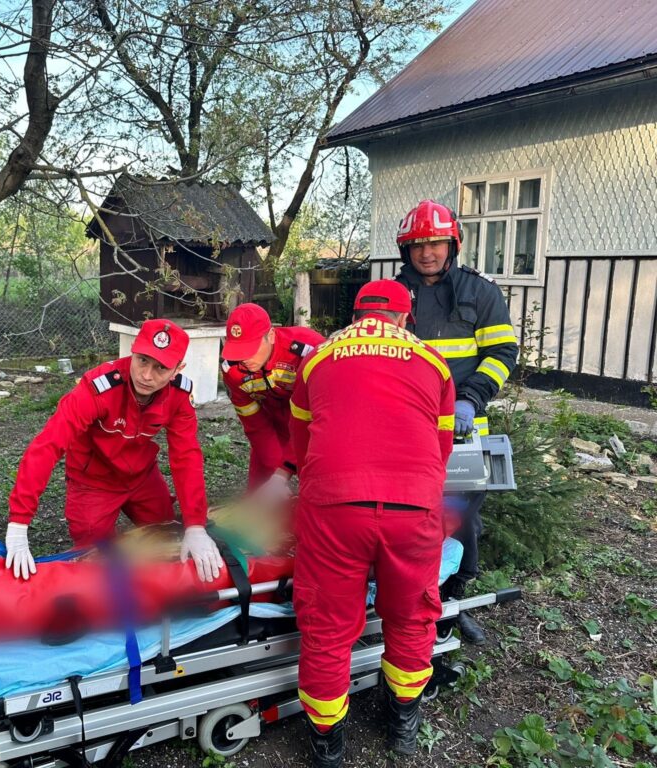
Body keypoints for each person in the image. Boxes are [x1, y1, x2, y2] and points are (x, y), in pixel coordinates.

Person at [289, 280, 455, 766]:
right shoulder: (433, 361)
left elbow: (302, 440)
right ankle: (403, 718)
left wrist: (324, 488)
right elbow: (441, 445)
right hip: (413, 506)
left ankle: (327, 743)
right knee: (412, 616)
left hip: (335, 507)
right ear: (403, 319)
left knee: (327, 626)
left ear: (356, 316)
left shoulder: (317, 357)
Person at [5, 319, 224, 583]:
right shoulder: (97, 388)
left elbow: (186, 457)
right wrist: (19, 523)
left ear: (178, 369)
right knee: (91, 556)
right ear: (133, 351)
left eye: (161, 367)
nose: (146, 375)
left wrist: (196, 526)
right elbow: (47, 446)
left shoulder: (178, 395)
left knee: (168, 534)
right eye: (142, 360)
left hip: (141, 477)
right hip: (93, 480)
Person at [394, 199, 518, 644]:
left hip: (464, 427)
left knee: (460, 518)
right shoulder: (393, 294)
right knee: (403, 516)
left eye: (435, 243)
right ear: (405, 250)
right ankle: (401, 602)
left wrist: (469, 399)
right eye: (417, 245)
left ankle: (451, 604)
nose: (426, 253)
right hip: (404, 428)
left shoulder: (480, 292)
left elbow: (503, 352)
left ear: (453, 245)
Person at [220, 303, 324, 500]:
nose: (244, 359)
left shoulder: (309, 350)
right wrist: (275, 472)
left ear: (271, 335)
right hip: (272, 424)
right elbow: (255, 425)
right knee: (260, 494)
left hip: (310, 424)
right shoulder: (231, 370)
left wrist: (284, 472)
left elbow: (319, 416)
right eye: (238, 350)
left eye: (250, 348)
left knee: (316, 491)